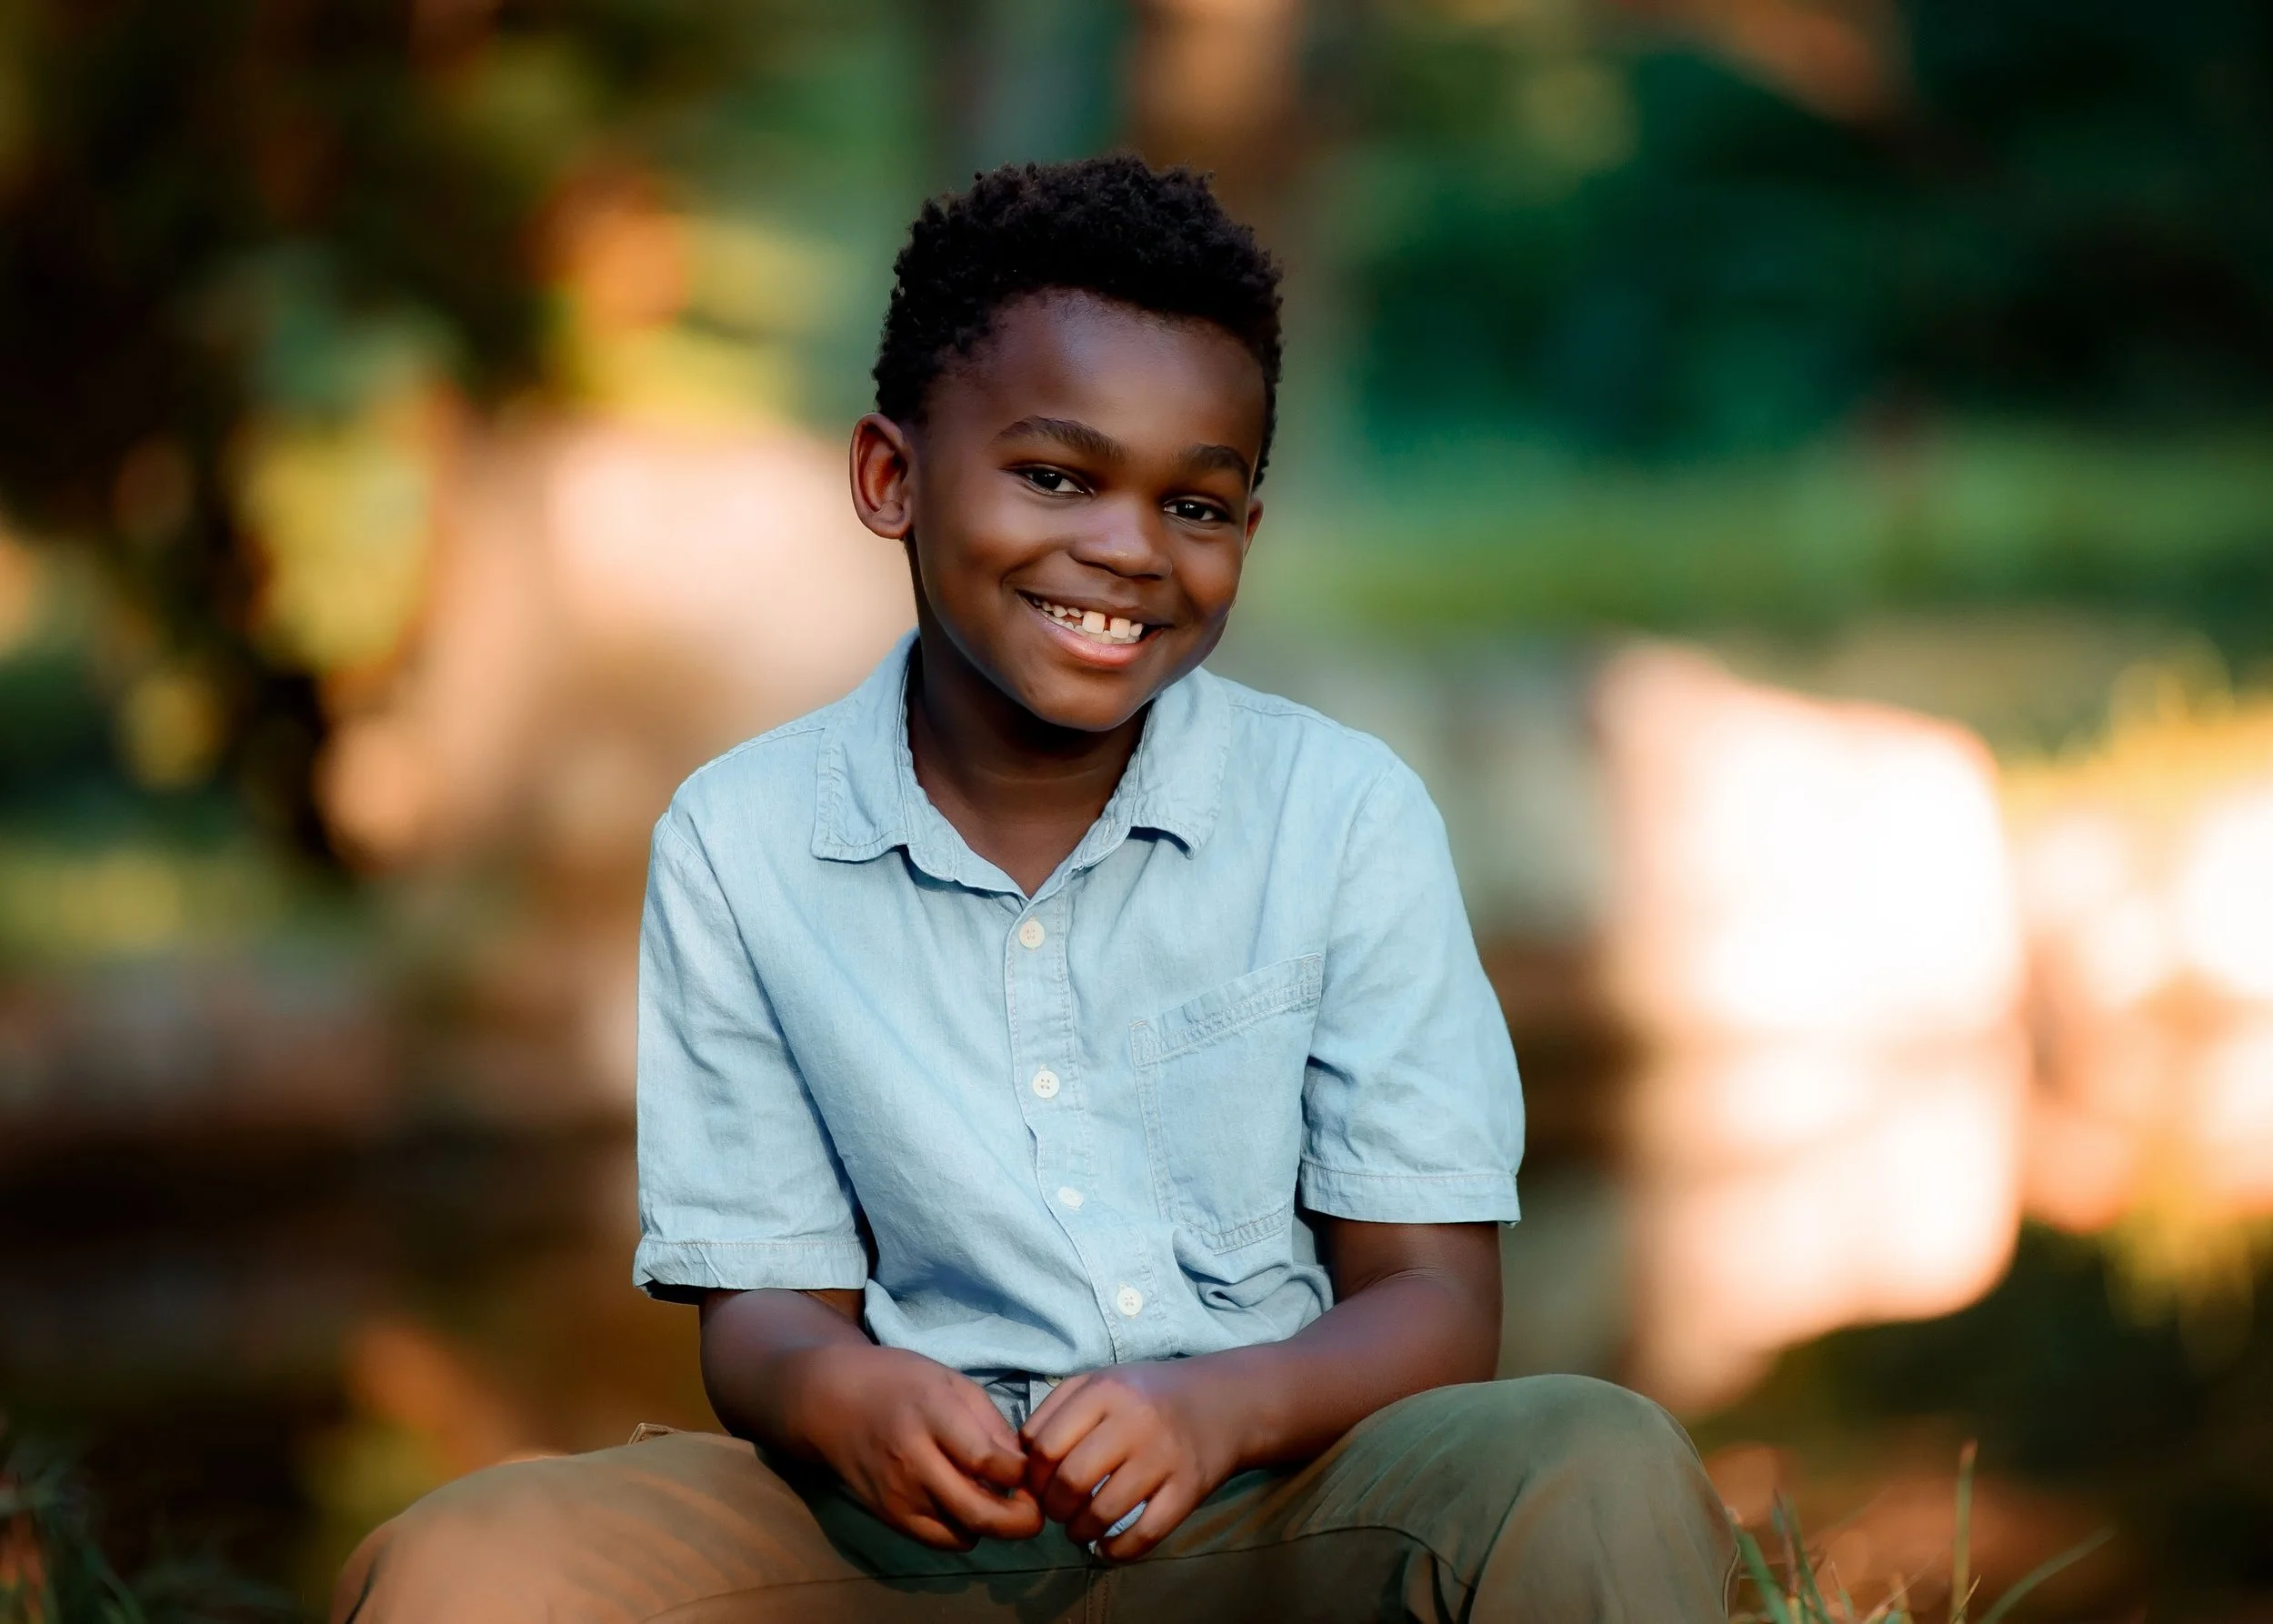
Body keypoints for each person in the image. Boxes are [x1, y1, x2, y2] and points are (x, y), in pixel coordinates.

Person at [334, 155, 1735, 1623]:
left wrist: (1222, 1411)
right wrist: (838, 1394)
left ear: (1245, 533)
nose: (1127, 547)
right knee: (463, 1563)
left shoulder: (1340, 815)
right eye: (1055, 476)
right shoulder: (736, 843)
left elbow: (1439, 1304)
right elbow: (757, 1309)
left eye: (1196, 504)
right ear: (892, 478)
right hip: (887, 1545)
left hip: (1275, 1512)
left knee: (1592, 1458)